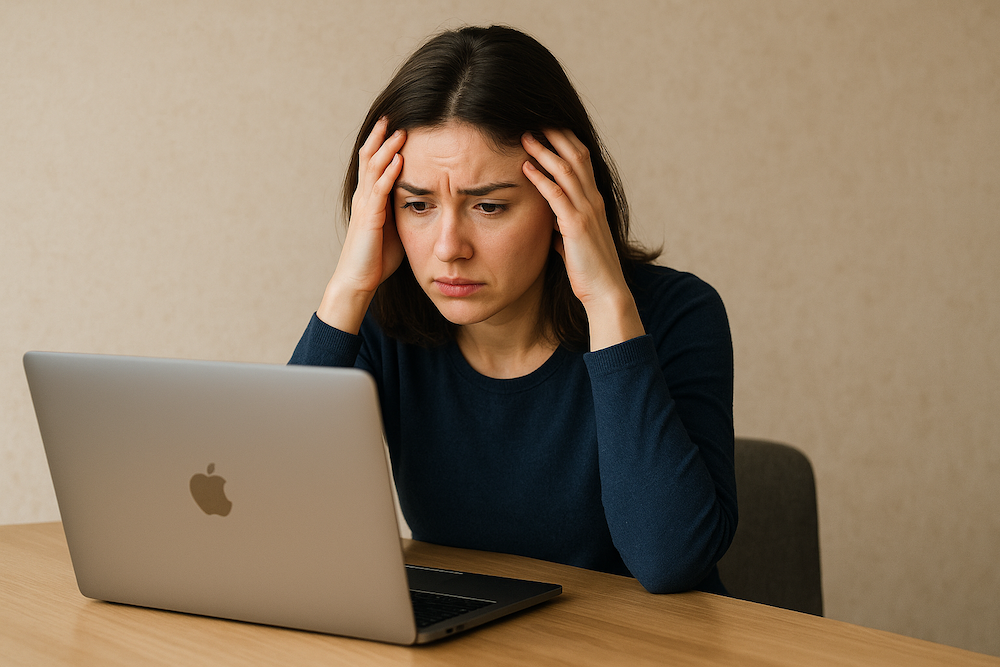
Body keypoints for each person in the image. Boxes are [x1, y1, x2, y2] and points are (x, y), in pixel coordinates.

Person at [290, 25, 736, 594]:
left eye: (490, 205)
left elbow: (671, 561)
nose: (449, 247)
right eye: (418, 205)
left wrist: (606, 302)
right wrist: (348, 289)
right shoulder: (385, 325)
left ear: (564, 200)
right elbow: (275, 515)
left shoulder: (679, 313)